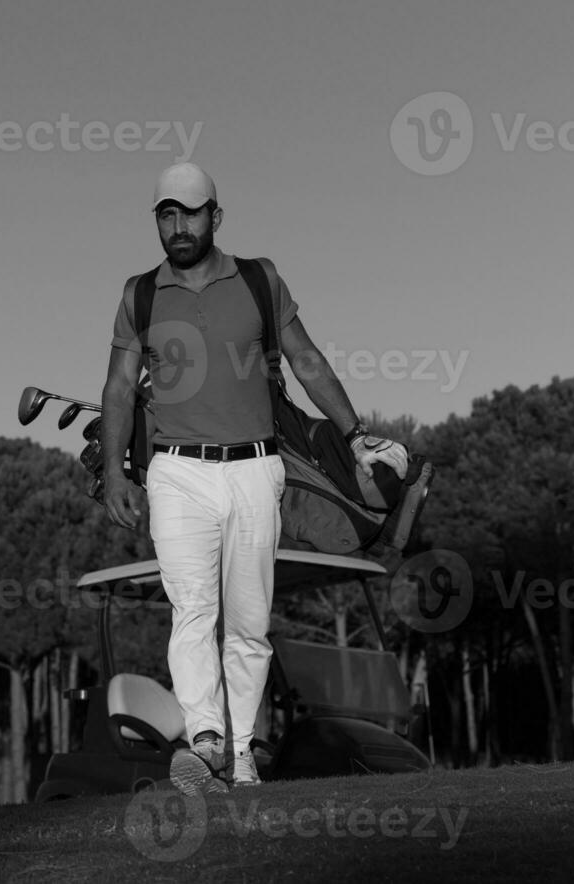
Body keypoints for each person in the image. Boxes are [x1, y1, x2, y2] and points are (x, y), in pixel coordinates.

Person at [99, 162, 408, 793]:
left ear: (215, 215)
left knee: (246, 623)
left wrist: (355, 436)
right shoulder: (141, 294)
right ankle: (206, 737)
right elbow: (117, 389)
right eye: (166, 214)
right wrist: (115, 473)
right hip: (176, 473)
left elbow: (308, 361)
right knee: (191, 610)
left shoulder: (260, 280)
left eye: (189, 212)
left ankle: (239, 756)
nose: (178, 225)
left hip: (256, 469)